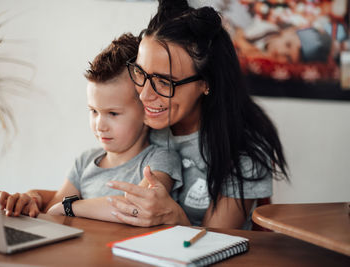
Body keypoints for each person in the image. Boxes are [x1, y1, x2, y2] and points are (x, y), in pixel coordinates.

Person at [106, 0, 289, 229]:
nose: (144, 96)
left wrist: (174, 217)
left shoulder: (243, 148)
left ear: (206, 84)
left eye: (164, 82)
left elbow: (216, 240)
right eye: (141, 73)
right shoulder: (137, 119)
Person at [0, 33, 182, 223]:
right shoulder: (85, 163)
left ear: (146, 109)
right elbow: (54, 207)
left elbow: (137, 206)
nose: (100, 126)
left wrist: (69, 207)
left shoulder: (159, 160)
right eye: (93, 111)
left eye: (113, 113)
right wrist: (33, 199)